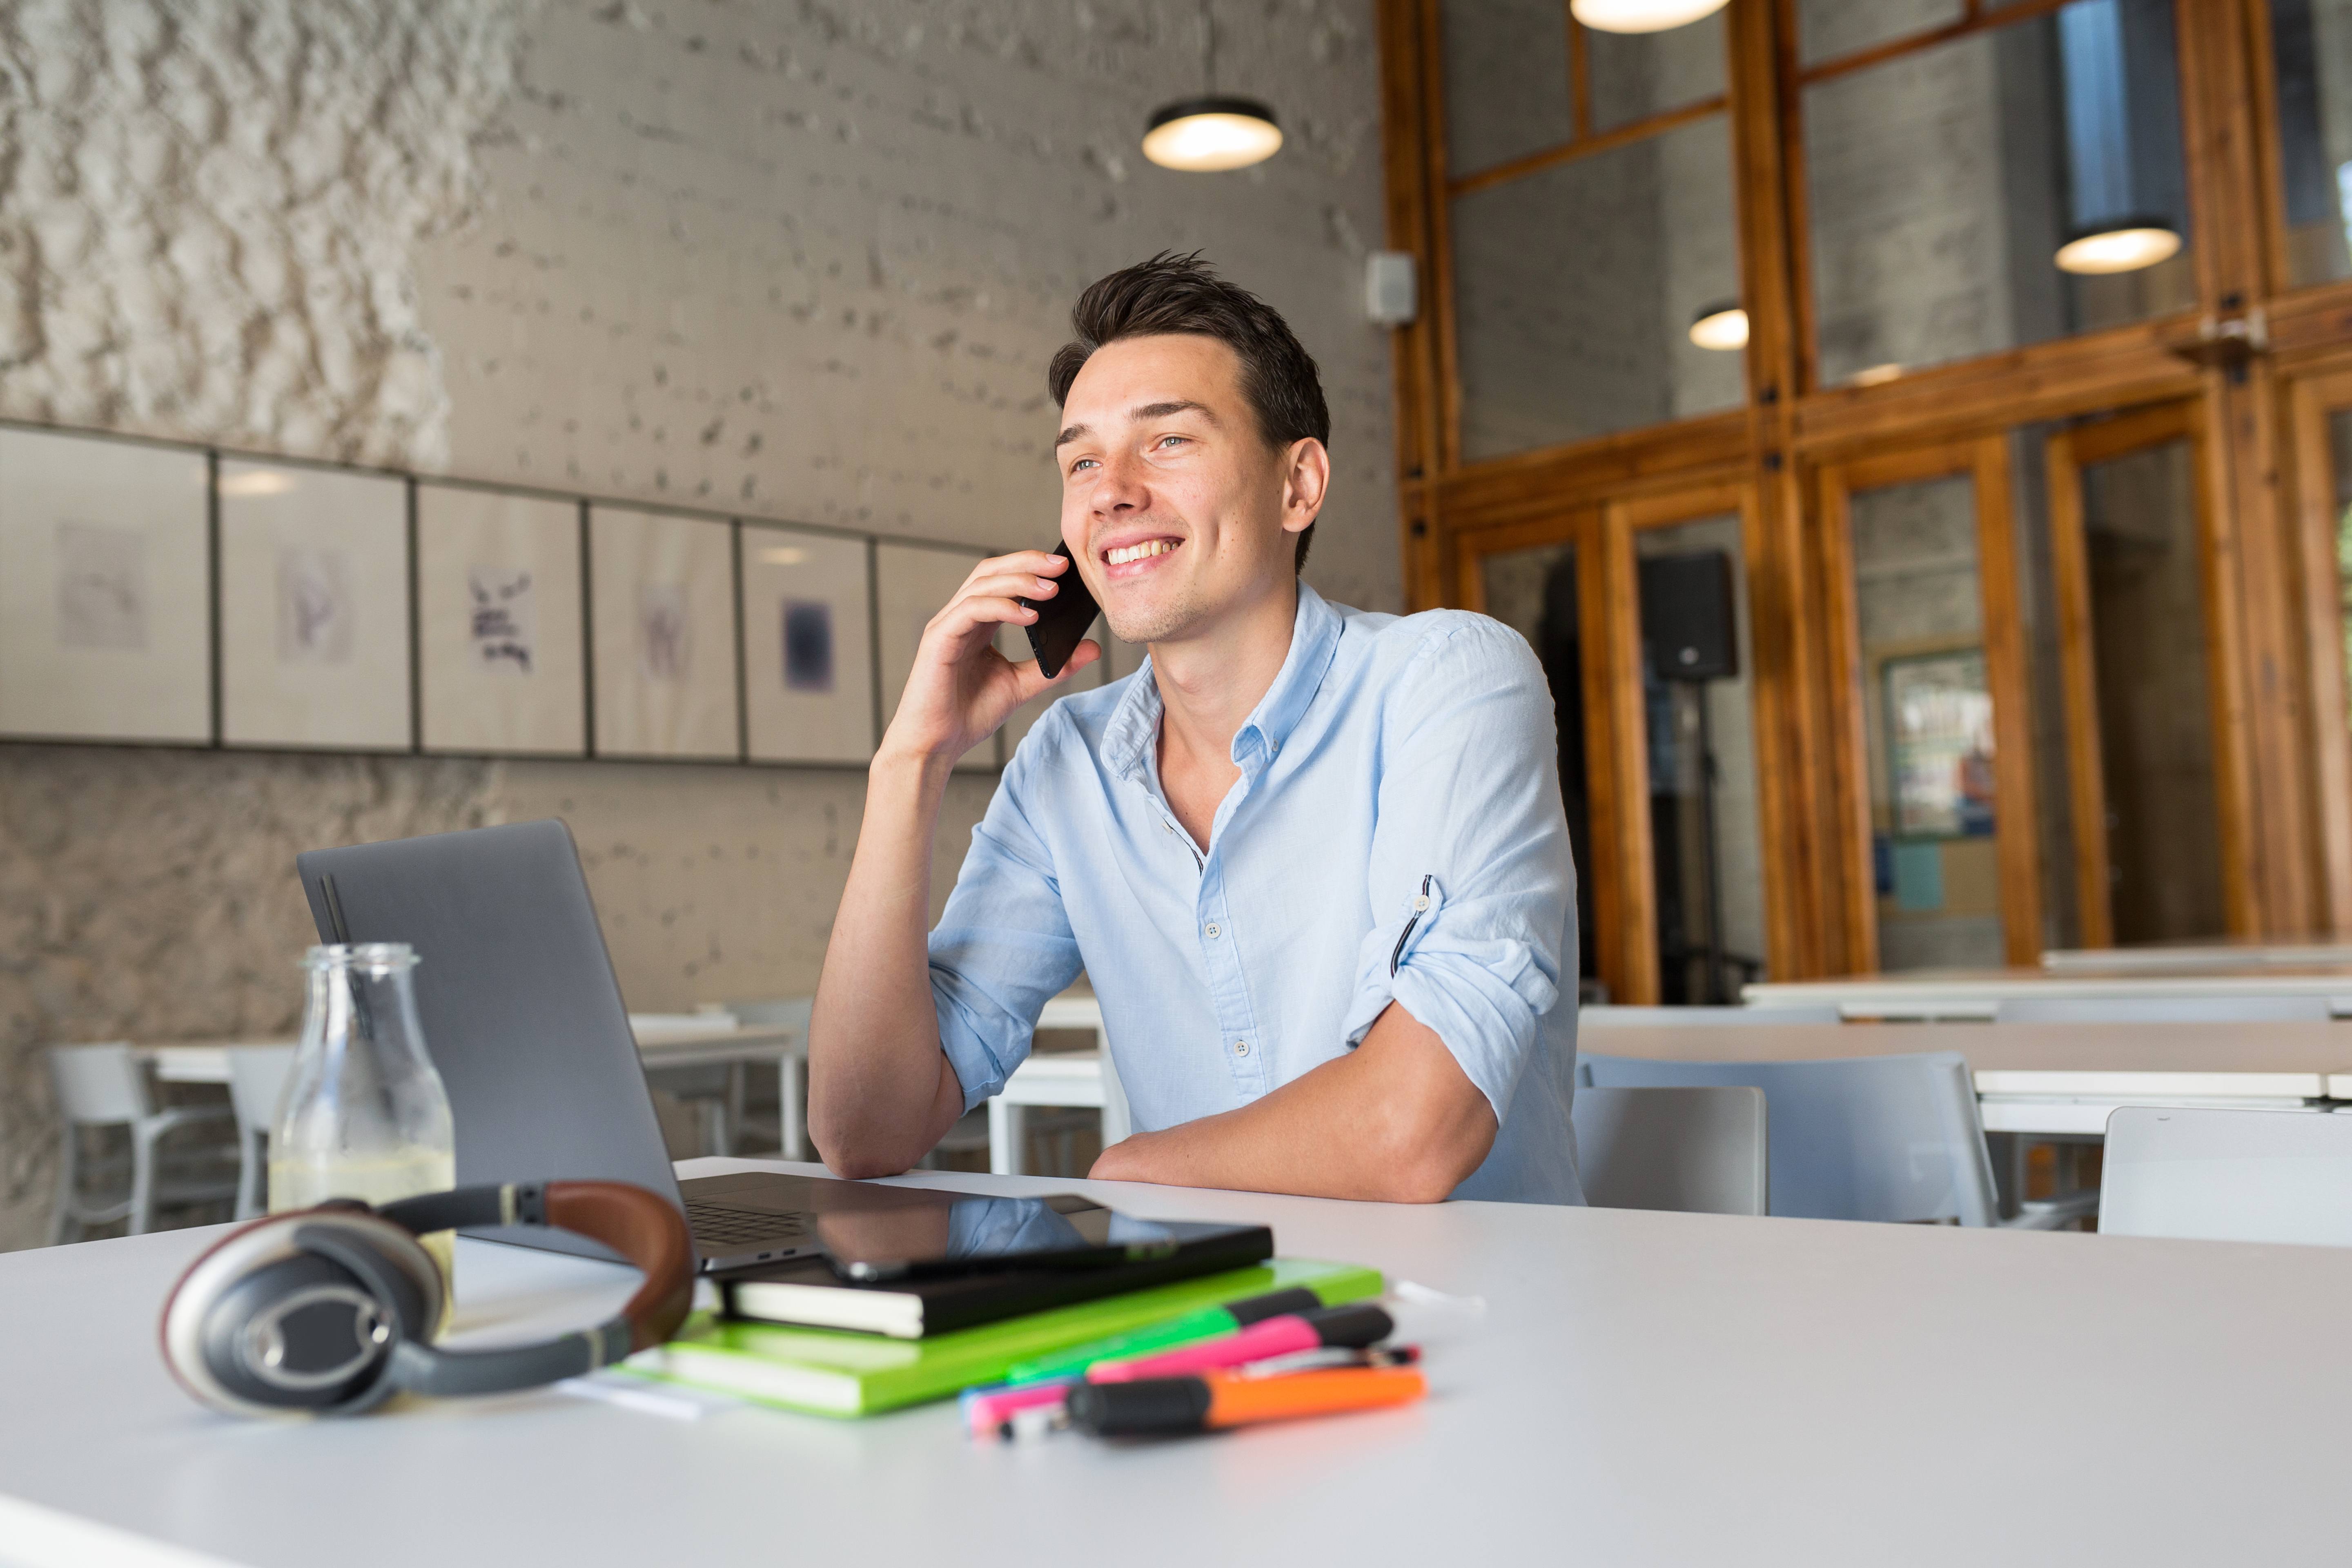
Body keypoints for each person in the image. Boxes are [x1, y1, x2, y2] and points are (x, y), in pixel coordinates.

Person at [808, 252, 1581, 1204]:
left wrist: (1129, 1174)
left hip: (1483, 1326)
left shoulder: (1449, 680)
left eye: (1167, 441)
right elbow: (865, 1131)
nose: (1110, 491)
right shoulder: (1069, 764)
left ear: (1299, 485)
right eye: (1082, 459)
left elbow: (1412, 1131)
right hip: (1211, 1333)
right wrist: (911, 762)